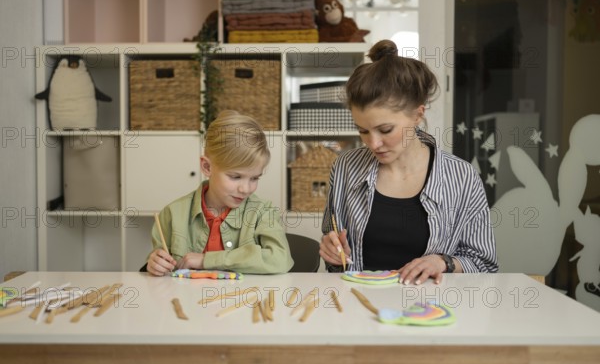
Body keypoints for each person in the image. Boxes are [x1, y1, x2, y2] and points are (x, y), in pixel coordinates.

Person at [320, 39, 498, 284]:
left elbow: (484, 264)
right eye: (362, 131)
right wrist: (331, 253)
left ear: (418, 114)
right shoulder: (345, 167)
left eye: (385, 130)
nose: (373, 144)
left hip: (431, 313)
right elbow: (334, 250)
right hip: (357, 306)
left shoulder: (462, 177)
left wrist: (443, 262)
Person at [147, 110, 294, 276]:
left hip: (244, 300)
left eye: (254, 178)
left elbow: (280, 259)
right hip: (187, 301)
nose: (245, 189)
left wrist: (205, 260)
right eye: (235, 176)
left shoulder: (263, 212)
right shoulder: (172, 213)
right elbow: (161, 270)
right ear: (207, 167)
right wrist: (154, 264)